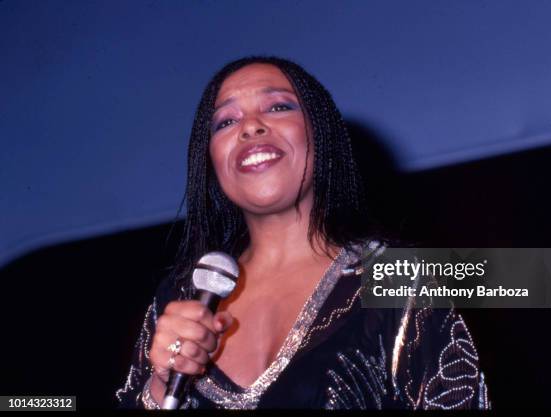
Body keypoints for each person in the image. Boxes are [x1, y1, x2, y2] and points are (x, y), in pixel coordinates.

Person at [115, 56, 490, 410]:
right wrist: (162, 387)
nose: (250, 126)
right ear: (212, 161)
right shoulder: (181, 298)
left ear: (321, 133)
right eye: (225, 122)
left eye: (278, 107)